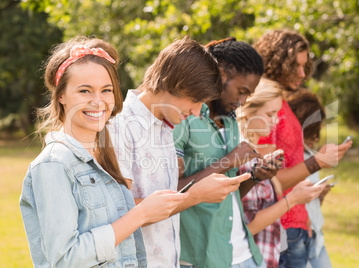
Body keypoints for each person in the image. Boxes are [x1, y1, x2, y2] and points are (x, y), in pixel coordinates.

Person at [19, 36, 188, 267]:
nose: (98, 102)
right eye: (85, 91)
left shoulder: (106, 157)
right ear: (61, 95)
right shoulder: (53, 165)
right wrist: (140, 214)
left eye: (106, 90)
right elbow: (65, 259)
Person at [109, 36, 251, 268]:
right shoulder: (120, 128)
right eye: (195, 101)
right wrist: (194, 196)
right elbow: (119, 212)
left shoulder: (167, 125)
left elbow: (161, 197)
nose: (196, 113)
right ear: (174, 83)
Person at [173, 37, 278, 268]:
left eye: (248, 95)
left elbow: (227, 196)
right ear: (220, 73)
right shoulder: (183, 119)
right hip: (203, 258)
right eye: (241, 91)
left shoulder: (230, 122)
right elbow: (171, 191)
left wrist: (255, 176)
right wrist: (228, 161)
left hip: (245, 254)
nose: (242, 102)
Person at [253, 29, 352, 267]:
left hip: (296, 225)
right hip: (282, 228)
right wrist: (317, 162)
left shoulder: (281, 103)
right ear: (276, 63)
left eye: (304, 66)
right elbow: (266, 181)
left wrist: (305, 215)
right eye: (295, 66)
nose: (302, 74)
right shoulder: (263, 109)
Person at [238, 78, 325, 268]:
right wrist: (293, 199)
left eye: (276, 114)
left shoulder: (254, 152)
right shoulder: (242, 156)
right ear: (248, 111)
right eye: (270, 114)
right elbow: (248, 225)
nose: (275, 121)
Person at [287, 89, 332, 268]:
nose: (316, 137)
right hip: (298, 233)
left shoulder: (311, 155)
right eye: (313, 131)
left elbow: (312, 203)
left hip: (315, 233)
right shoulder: (289, 158)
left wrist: (320, 194)